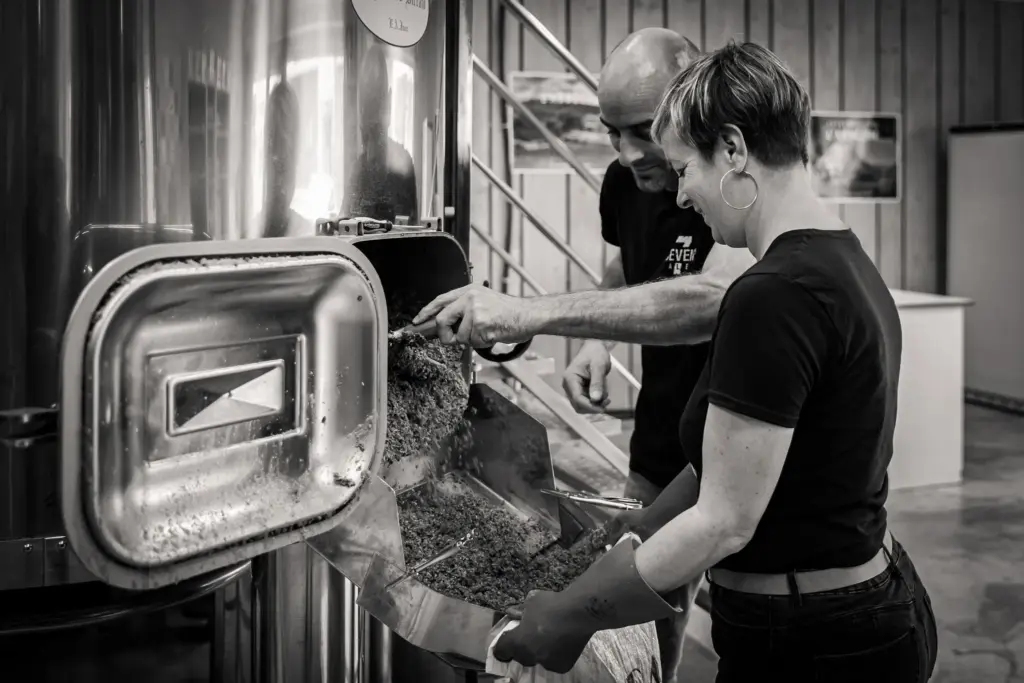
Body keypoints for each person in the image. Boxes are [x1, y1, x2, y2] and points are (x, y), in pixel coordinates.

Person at [415, 42, 938, 682]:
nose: (682, 196)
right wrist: (639, 527)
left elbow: (723, 523)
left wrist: (569, 615)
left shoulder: (770, 295)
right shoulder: (842, 260)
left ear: (735, 150)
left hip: (817, 640)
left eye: (685, 167)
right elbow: (741, 459)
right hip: (862, 605)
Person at [563, 27, 752, 681]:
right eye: (611, 132)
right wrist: (594, 338)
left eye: (642, 131)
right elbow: (621, 265)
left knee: (742, 620)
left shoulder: (732, 193)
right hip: (657, 447)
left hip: (732, 459)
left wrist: (533, 313)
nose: (627, 152)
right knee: (646, 621)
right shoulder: (621, 184)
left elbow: (708, 303)